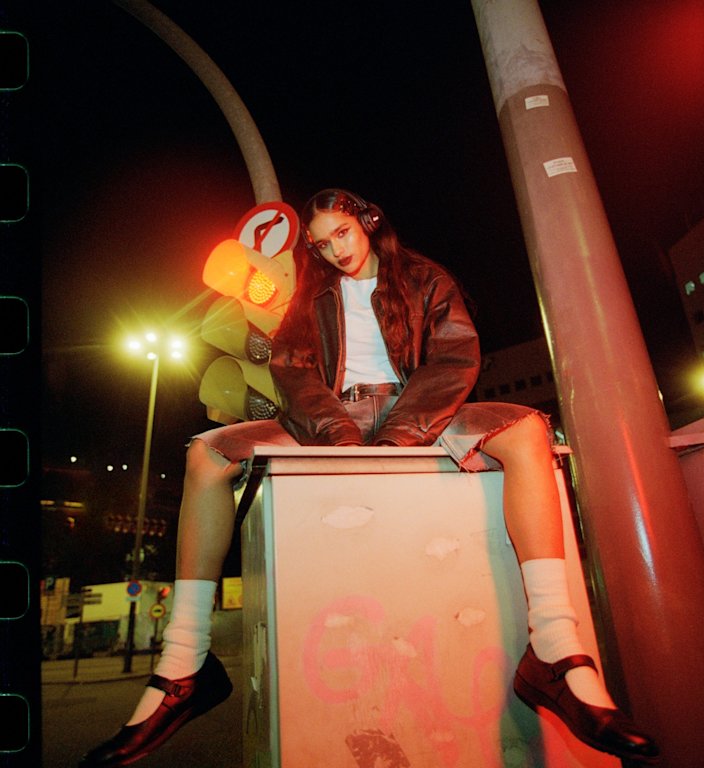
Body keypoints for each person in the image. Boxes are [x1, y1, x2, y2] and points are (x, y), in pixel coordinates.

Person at [80, 189, 659, 766]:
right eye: (321, 242)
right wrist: (335, 427)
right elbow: (292, 368)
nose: (333, 250)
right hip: (332, 416)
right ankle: (184, 661)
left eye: (342, 234)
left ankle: (556, 647)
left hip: (423, 410)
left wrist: (402, 430)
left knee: (528, 429)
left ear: (368, 221)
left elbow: (454, 359)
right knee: (206, 454)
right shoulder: (309, 294)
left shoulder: (425, 278)